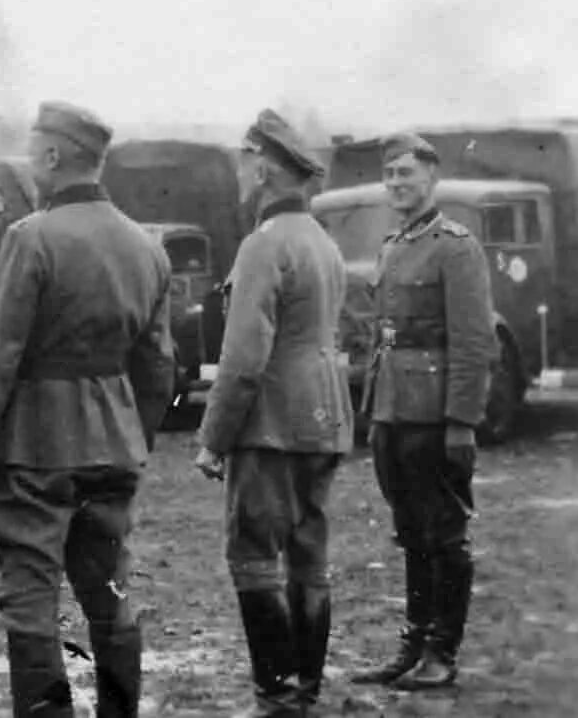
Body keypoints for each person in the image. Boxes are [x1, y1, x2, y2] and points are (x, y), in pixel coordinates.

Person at [0, 103, 178, 718]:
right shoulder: (146, 246)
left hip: (34, 451)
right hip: (114, 450)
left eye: (32, 150)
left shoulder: (31, 239)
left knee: (31, 600)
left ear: (52, 157)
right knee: (110, 596)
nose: (29, 161)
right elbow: (159, 369)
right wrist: (132, 437)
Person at [193, 111, 353, 716]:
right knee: (309, 557)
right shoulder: (322, 242)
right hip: (324, 420)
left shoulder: (264, 245)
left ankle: (277, 695)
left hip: (271, 428)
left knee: (254, 555)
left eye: (242, 159)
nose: (238, 171)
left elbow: (242, 359)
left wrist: (213, 439)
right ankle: (303, 692)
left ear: (262, 167)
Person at [348, 133, 493, 692]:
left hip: (434, 414)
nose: (396, 184)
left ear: (432, 178)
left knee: (444, 534)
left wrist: (462, 422)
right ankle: (413, 643)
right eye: (389, 175)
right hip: (392, 409)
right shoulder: (393, 244)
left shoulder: (455, 246)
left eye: (406, 173)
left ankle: (442, 652)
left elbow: (473, 341)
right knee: (410, 531)